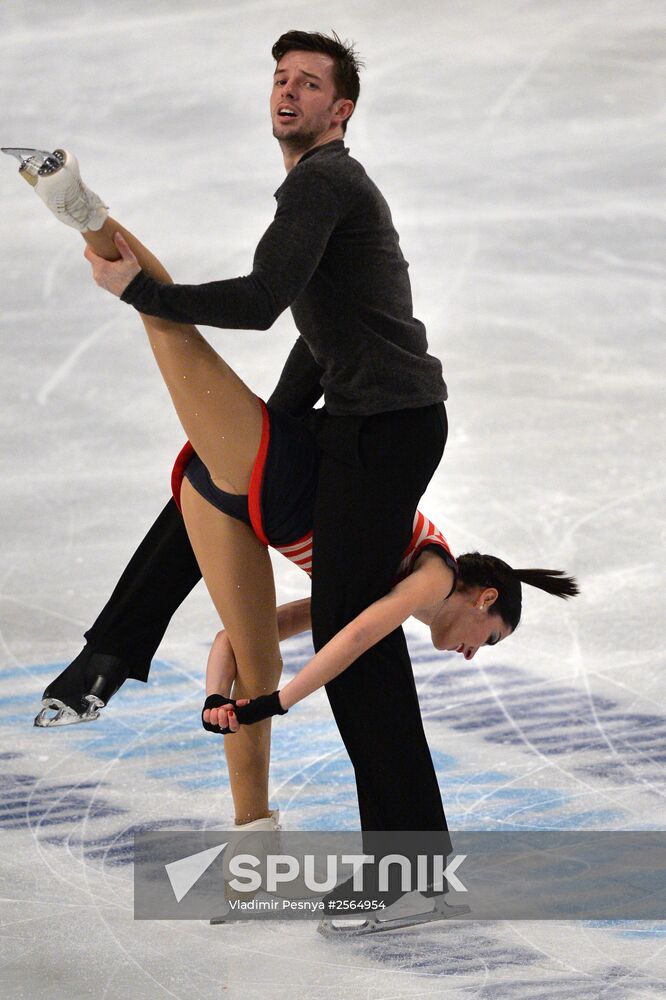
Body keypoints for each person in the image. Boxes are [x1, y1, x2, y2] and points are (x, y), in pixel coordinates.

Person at [6, 30, 575, 841]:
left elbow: (267, 298)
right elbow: (318, 334)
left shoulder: (324, 183)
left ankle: (407, 857)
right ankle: (115, 651)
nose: (288, 92)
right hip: (362, 425)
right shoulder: (323, 186)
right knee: (224, 476)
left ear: (340, 111)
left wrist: (147, 298)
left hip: (387, 428)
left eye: (309, 84)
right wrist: (262, 431)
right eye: (282, 79)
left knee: (354, 630)